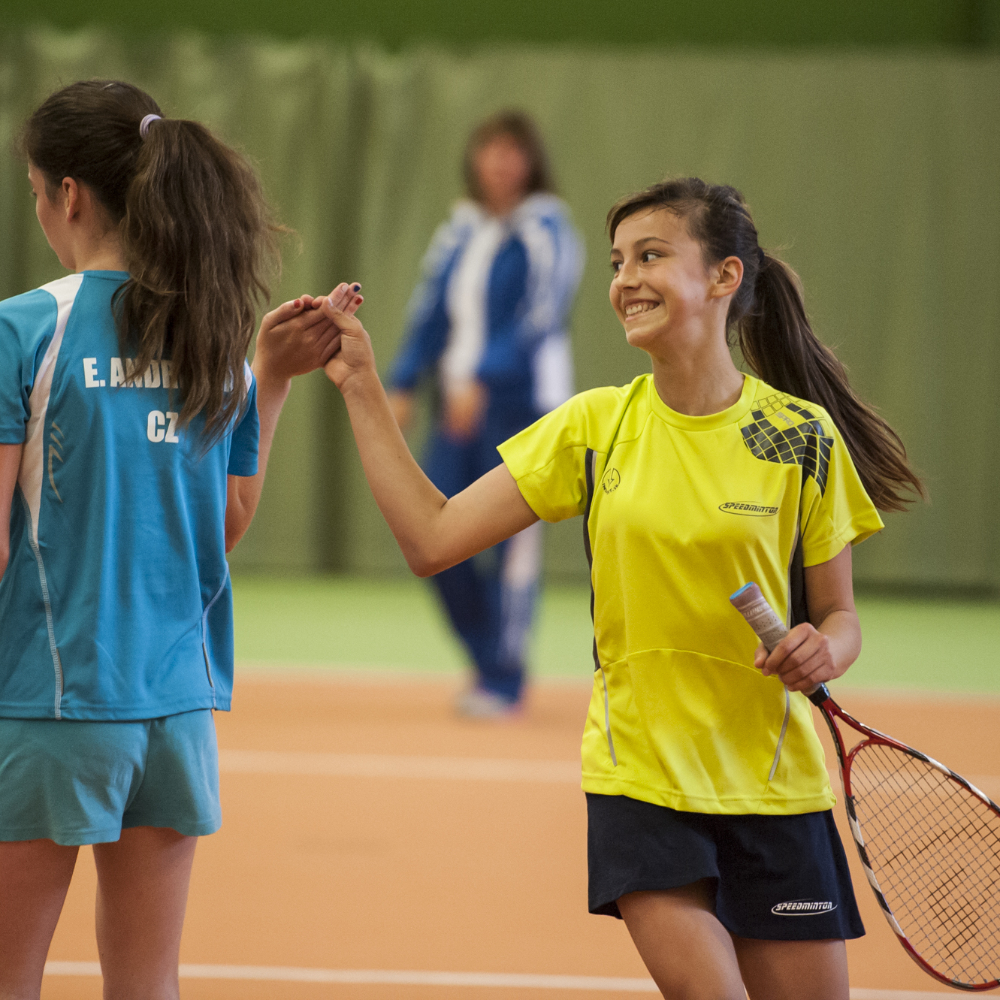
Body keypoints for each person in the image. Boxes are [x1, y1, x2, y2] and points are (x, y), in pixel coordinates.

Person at [319, 177, 924, 999]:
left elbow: (840, 616)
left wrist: (827, 648)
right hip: (641, 782)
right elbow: (432, 538)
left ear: (724, 277)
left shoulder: (799, 436)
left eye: (651, 255)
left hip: (778, 789)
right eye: (616, 262)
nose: (624, 280)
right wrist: (360, 381)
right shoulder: (594, 428)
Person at [0, 80, 360, 1000]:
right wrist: (270, 379)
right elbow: (223, 528)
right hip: (175, 711)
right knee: (147, 985)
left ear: (69, 194)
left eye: (36, 190)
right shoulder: (211, 333)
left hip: (51, 701)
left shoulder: (25, 328)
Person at [386, 111, 584, 717]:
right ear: (474, 160)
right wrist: (403, 380)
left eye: (513, 152)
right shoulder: (460, 230)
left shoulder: (549, 227)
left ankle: (504, 678)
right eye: (489, 151)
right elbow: (429, 312)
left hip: (523, 408)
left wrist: (483, 375)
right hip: (458, 410)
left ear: (530, 162)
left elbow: (540, 316)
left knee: (513, 546)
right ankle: (485, 659)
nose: (500, 163)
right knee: (433, 532)